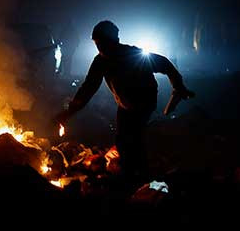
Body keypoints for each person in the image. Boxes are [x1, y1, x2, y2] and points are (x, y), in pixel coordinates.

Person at [54, 20, 194, 194]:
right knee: (123, 140)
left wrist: (178, 86)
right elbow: (88, 88)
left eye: (103, 43)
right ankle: (132, 177)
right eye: (97, 44)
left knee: (134, 140)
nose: (101, 48)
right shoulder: (101, 61)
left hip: (144, 103)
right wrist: (69, 112)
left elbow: (165, 64)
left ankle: (141, 181)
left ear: (115, 40)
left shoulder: (133, 55)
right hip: (125, 106)